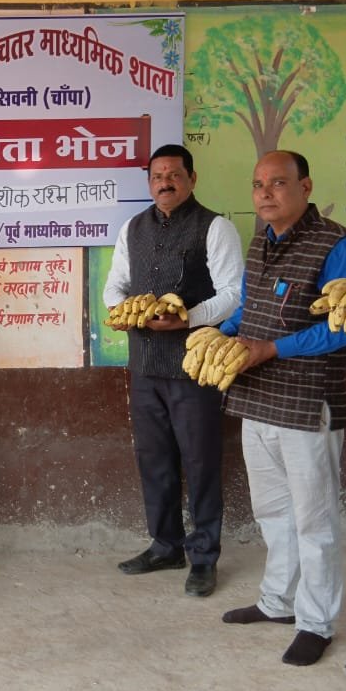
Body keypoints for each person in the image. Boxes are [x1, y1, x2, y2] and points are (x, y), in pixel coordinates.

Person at [219, 150, 346, 667]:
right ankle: (277, 602)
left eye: (278, 183)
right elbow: (249, 306)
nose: (265, 193)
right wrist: (219, 334)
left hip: (308, 404)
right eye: (258, 183)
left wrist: (272, 349)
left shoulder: (337, 244)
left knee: (314, 521)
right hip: (256, 398)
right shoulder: (262, 238)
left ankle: (316, 622)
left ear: (306, 186)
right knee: (273, 513)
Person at [104, 143, 243, 597]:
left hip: (195, 366)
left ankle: (203, 555)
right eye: (157, 176)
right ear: (149, 182)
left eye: (174, 175)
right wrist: (128, 312)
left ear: (192, 179)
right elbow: (114, 288)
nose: (165, 182)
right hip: (144, 364)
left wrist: (189, 318)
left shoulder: (215, 228)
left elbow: (232, 293)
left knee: (200, 461)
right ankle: (166, 544)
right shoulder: (133, 229)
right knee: (154, 459)